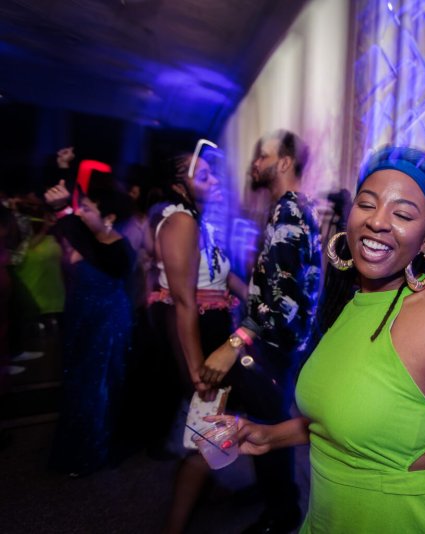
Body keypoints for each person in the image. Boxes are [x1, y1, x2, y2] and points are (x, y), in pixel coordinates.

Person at [210, 146, 425, 533]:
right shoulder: (348, 303)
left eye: (402, 214)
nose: (378, 222)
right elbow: (341, 420)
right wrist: (267, 434)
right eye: (367, 203)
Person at [200, 129, 322, 534]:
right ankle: (273, 495)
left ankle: (281, 513)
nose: (255, 163)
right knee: (261, 423)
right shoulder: (285, 209)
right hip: (275, 343)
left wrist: (235, 343)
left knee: (267, 428)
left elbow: (283, 300)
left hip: (273, 346)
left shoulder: (288, 209)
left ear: (283, 163)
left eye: (262, 155)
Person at [147, 150, 249, 533]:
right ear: (180, 186)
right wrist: (196, 369)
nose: (216, 181)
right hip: (198, 336)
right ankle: (176, 524)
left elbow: (223, 279)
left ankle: (205, 488)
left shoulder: (200, 222)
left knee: (207, 427)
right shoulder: (180, 223)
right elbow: (185, 302)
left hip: (212, 331)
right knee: (207, 431)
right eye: (204, 177)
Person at [44, 175, 136, 477]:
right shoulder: (90, 242)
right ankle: (76, 447)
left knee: (97, 388)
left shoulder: (118, 250)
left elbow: (89, 249)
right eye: (80, 208)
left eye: (87, 209)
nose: (81, 213)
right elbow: (72, 241)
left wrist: (63, 211)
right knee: (76, 384)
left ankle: (92, 451)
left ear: (109, 218)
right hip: (82, 320)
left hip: (106, 326)